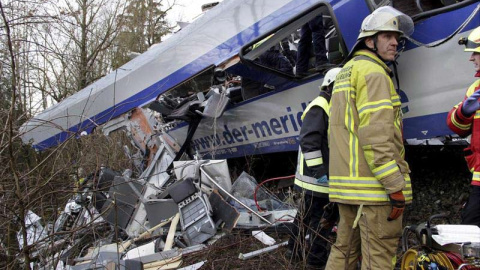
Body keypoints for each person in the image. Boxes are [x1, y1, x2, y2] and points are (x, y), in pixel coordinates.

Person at [325, 6, 414, 270]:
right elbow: (376, 137)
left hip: (348, 188)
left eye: (396, 37)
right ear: (369, 40)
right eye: (387, 36)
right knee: (379, 259)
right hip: (374, 191)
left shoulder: (346, 72)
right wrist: (394, 185)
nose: (395, 42)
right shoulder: (374, 73)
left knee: (344, 252)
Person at [286, 67, 341, 268]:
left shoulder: (328, 105)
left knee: (305, 218)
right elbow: (309, 142)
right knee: (322, 222)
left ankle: (294, 252)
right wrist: (320, 172)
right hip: (316, 180)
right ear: (331, 86)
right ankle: (316, 261)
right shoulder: (321, 106)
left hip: (314, 180)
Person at [446, 26, 480, 227]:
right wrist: (464, 112)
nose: (471, 59)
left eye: (475, 53)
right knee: (471, 226)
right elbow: (455, 125)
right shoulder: (475, 88)